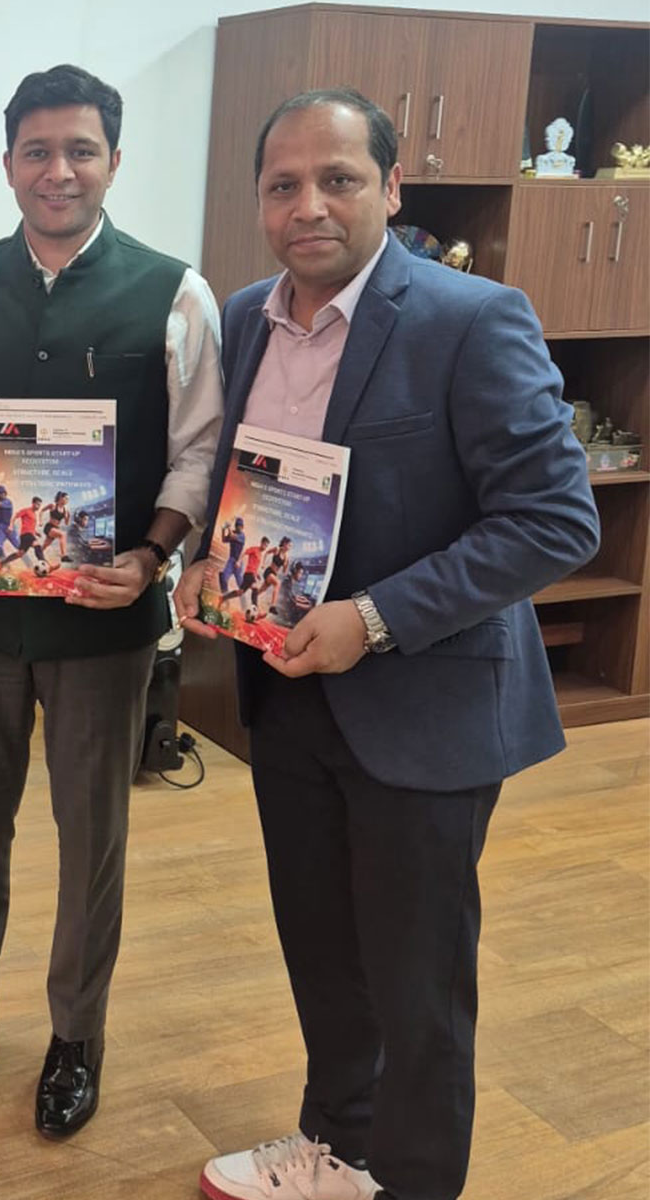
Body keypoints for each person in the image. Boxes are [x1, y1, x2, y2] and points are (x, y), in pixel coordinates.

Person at [174, 88, 599, 1200]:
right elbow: (242, 485)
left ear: (391, 188)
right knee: (322, 954)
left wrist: (371, 621)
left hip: (422, 706)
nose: (308, 204)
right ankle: (337, 1145)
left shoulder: (471, 315)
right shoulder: (242, 318)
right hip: (286, 691)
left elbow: (554, 520)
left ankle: (411, 1184)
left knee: (418, 988)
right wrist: (205, 569)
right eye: (282, 184)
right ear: (259, 200)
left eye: (338, 179)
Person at [0, 64, 223, 1138]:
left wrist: (153, 553)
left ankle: (76, 1034)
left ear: (113, 162)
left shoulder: (174, 291)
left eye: (80, 150)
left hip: (104, 615)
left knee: (93, 838)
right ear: (7, 165)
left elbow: (197, 450)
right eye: (36, 151)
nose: (58, 170)